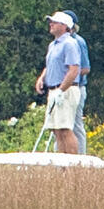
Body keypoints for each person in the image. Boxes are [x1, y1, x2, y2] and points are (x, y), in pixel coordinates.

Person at [35, 11, 81, 154]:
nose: (51, 24)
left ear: (64, 26)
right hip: (54, 90)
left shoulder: (69, 44)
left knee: (65, 129)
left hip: (66, 90)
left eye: (54, 22)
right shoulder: (53, 45)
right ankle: (62, 166)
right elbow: (51, 65)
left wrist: (61, 90)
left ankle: (73, 165)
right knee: (57, 130)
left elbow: (73, 70)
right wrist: (42, 78)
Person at [63, 10, 90, 154]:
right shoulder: (59, 43)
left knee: (76, 125)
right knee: (61, 126)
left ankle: (81, 158)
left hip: (77, 88)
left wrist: (68, 76)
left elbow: (85, 68)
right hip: (63, 89)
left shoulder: (78, 42)